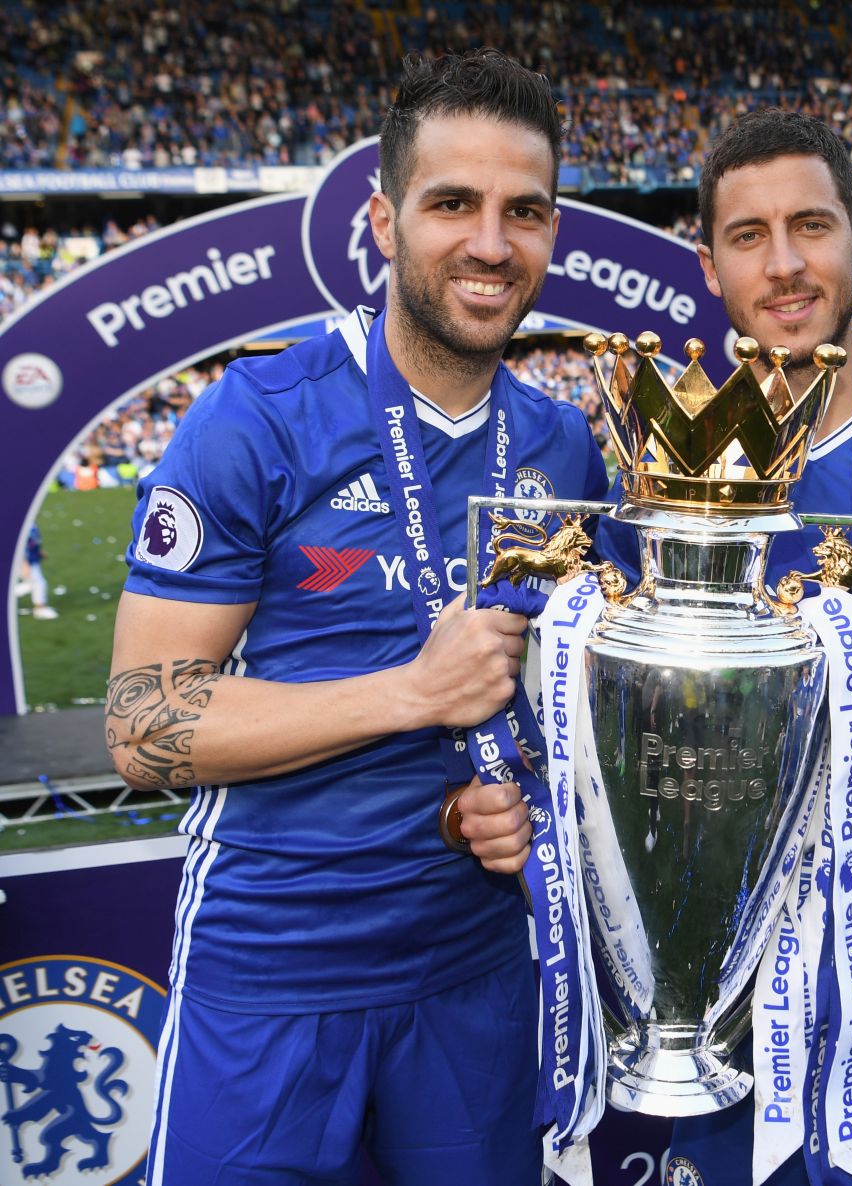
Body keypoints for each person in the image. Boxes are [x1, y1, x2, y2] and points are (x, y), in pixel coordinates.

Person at [459, 109, 852, 1185]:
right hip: (729, 1007)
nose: (787, 263)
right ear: (709, 265)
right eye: (750, 235)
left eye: (812, 226)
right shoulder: (654, 486)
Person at [105, 50, 607, 1186]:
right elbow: (140, 727)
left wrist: (524, 792)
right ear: (384, 221)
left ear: (551, 231)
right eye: (452, 205)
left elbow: (557, 700)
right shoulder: (257, 417)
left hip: (476, 970)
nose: (490, 242)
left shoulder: (562, 447)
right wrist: (413, 694)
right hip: (271, 972)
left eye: (522, 211)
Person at [16, 524, 58, 620]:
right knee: (39, 583)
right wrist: (24, 563)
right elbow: (17, 545)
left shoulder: (31, 524)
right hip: (25, 562)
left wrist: (39, 551)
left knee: (31, 584)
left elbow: (32, 540)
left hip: (32, 559)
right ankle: (40, 609)